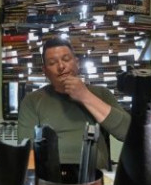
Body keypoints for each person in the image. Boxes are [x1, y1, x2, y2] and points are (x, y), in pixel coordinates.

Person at [17, 36, 131, 169]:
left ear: (77, 63)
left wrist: (85, 95)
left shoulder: (101, 94)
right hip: (52, 177)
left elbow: (128, 133)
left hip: (95, 175)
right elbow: (27, 151)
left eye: (66, 59)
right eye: (52, 63)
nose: (61, 66)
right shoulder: (32, 101)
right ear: (45, 71)